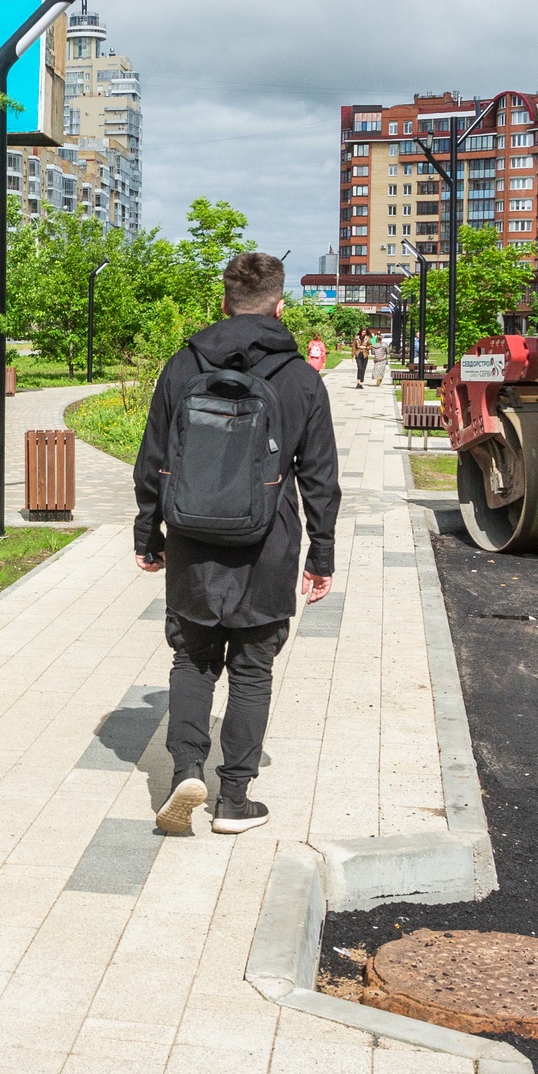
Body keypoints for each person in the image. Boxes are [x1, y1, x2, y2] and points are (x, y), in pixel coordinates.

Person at [134, 252, 342, 837]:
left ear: (222, 303)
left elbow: (152, 463)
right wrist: (320, 557)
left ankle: (184, 772)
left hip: (193, 544)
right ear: (279, 306)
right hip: (267, 547)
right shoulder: (301, 377)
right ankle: (234, 801)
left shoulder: (182, 367)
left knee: (192, 658)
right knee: (252, 669)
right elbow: (321, 478)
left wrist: (148, 537)